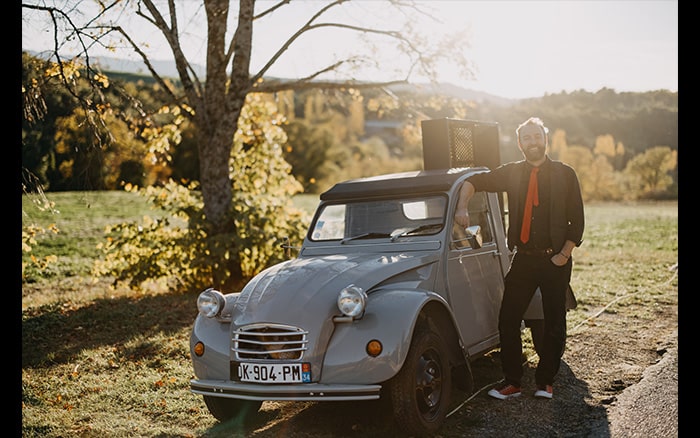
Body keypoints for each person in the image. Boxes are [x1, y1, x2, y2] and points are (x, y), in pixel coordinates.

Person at [454, 116, 584, 400]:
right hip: (523, 259)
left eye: (537, 136)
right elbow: (473, 181)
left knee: (554, 320)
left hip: (555, 260)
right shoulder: (511, 173)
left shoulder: (565, 174)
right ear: (519, 143)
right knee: (508, 319)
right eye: (527, 138)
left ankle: (545, 381)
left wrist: (564, 254)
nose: (533, 142)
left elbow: (577, 219)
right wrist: (462, 207)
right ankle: (512, 382)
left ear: (545, 139)